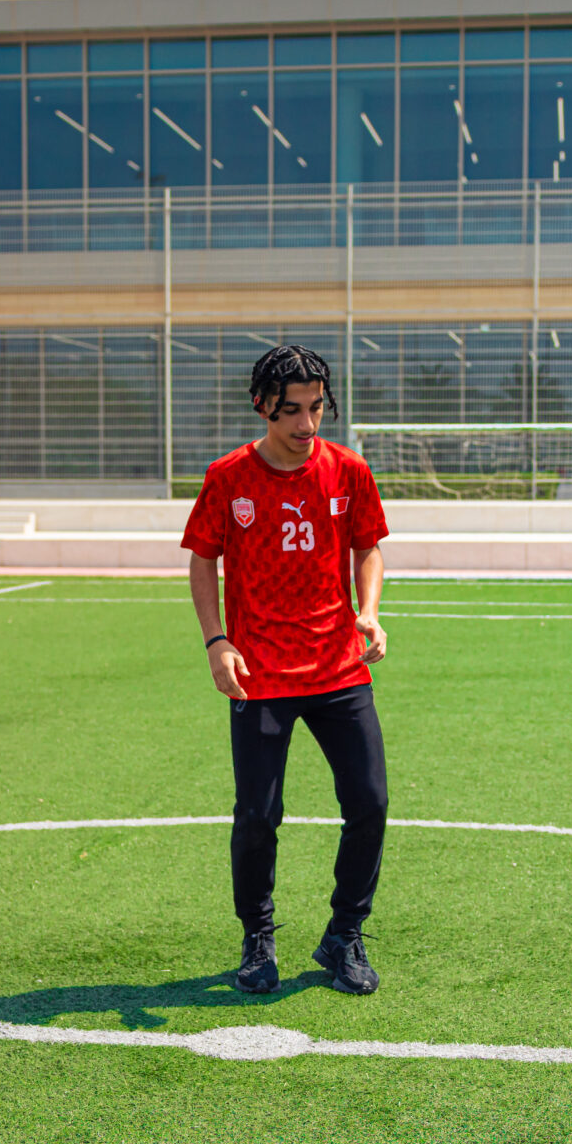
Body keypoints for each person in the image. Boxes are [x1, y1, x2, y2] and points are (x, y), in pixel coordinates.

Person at [183, 345, 392, 997]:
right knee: (258, 815)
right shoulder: (228, 478)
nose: (306, 424)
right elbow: (202, 559)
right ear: (262, 407)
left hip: (339, 667)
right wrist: (217, 641)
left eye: (316, 408)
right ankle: (258, 936)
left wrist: (369, 613)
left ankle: (344, 935)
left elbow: (368, 547)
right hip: (261, 674)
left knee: (370, 803)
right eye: (291, 411)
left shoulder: (348, 471)